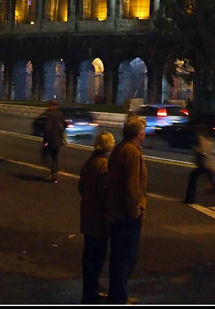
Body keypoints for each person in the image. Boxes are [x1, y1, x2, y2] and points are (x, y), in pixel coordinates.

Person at [106, 114, 148, 305]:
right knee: (126, 258)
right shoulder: (133, 153)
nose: (145, 135)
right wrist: (136, 211)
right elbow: (132, 187)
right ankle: (119, 298)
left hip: (116, 212)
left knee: (119, 257)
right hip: (126, 216)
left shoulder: (119, 149)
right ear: (138, 134)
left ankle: (116, 295)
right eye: (143, 132)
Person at [78, 131, 115, 304]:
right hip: (99, 220)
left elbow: (81, 186)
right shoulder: (105, 167)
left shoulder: (89, 163)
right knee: (98, 256)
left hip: (87, 216)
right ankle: (92, 291)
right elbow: (106, 195)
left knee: (89, 255)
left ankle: (89, 287)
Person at [183, 123, 215, 215]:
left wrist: (196, 150)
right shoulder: (210, 139)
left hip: (207, 164)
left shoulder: (203, 139)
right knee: (194, 177)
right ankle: (190, 198)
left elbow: (204, 151)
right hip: (209, 164)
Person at [42, 99, 67, 183]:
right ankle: (55, 175)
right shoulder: (61, 114)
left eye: (49, 105)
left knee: (45, 155)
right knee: (55, 158)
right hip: (59, 141)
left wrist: (45, 141)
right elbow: (65, 124)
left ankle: (53, 173)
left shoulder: (50, 115)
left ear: (52, 105)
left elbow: (47, 129)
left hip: (51, 140)